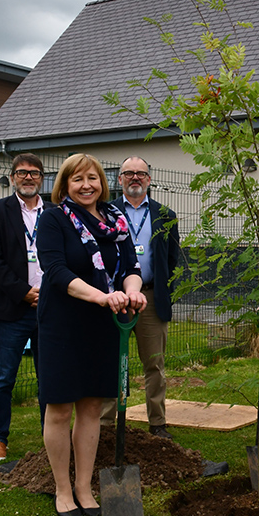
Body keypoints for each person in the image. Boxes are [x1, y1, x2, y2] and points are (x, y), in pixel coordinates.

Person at [36, 153, 147, 516]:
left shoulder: (115, 220)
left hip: (105, 323)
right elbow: (56, 271)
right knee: (60, 406)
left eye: (92, 178)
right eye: (77, 179)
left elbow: (131, 266)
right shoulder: (53, 219)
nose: (86, 185)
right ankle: (62, 489)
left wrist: (134, 290)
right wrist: (103, 296)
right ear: (64, 185)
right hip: (63, 324)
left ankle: (84, 487)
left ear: (103, 183)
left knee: (91, 407)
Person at [99, 157, 180, 440]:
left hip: (150, 297)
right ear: (119, 179)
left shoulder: (165, 214)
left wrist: (166, 291)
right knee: (109, 360)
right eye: (128, 173)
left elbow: (173, 259)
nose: (135, 178)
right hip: (113, 298)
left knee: (154, 363)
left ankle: (157, 423)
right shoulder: (104, 212)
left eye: (141, 174)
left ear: (149, 179)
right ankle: (105, 425)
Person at [0, 153, 54, 463]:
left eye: (34, 173)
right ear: (12, 178)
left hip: (51, 308)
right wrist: (25, 293)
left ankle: (51, 437)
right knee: (3, 377)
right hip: (13, 309)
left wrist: (49, 293)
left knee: (50, 377)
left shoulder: (54, 211)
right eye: (22, 173)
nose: (28, 178)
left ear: (42, 178)